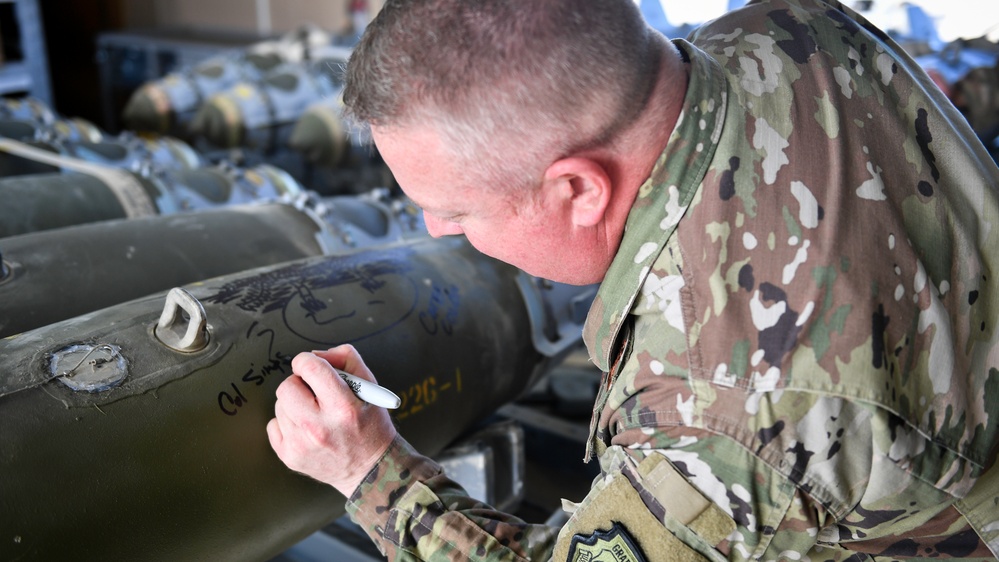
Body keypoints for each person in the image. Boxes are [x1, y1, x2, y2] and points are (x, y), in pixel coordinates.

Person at [266, 0, 999, 559]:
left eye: (457, 209)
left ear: (580, 190)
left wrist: (371, 472)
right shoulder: (792, 27)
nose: (435, 231)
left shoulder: (724, 413)